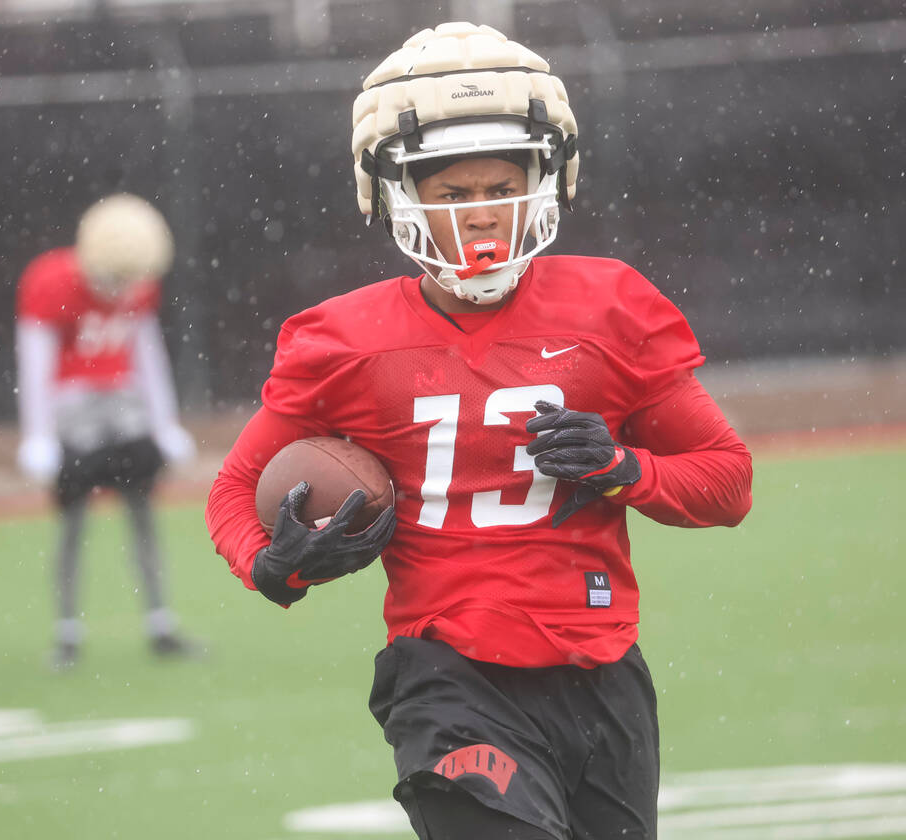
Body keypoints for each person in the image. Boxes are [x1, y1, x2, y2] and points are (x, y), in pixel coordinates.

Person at [206, 22, 752, 840]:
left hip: (601, 674)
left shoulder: (612, 308)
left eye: (500, 185)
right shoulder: (344, 341)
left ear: (547, 178)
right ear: (396, 194)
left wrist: (623, 467)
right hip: (449, 678)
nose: (480, 215)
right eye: (452, 194)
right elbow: (231, 492)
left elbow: (727, 481)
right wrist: (271, 564)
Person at [15, 193, 199, 668]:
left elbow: (147, 355)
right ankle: (67, 631)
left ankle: (160, 621)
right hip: (73, 414)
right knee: (73, 522)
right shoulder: (51, 281)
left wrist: (163, 423)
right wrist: (38, 434)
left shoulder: (138, 282)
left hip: (125, 408)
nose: (122, 290)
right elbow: (35, 363)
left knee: (142, 514)